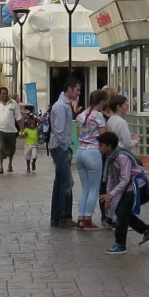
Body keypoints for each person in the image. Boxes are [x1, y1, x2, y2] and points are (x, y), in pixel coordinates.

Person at [100, 130, 149, 252]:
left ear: (109, 146)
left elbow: (125, 179)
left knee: (122, 213)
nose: (99, 148)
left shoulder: (122, 156)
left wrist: (112, 194)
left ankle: (120, 244)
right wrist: (109, 198)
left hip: (137, 184)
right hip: (129, 185)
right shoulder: (111, 157)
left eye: (101, 145)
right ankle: (147, 230)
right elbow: (111, 178)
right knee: (122, 212)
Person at [73, 88, 110, 231]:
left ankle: (81, 218)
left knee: (85, 188)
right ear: (102, 101)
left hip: (80, 151)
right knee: (94, 188)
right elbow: (104, 136)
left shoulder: (81, 115)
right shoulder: (98, 116)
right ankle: (88, 217)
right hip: (93, 152)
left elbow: (78, 135)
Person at [46, 79, 80, 226]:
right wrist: (65, 146)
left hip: (60, 146)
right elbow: (59, 130)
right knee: (67, 182)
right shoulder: (61, 106)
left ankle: (56, 217)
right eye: (77, 90)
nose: (78, 93)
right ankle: (64, 217)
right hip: (59, 147)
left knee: (60, 181)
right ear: (70, 89)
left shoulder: (65, 105)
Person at [0, 86, 21, 174]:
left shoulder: (13, 103)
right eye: (3, 94)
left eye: (6, 93)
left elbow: (18, 117)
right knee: (0, 147)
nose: (5, 95)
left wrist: (22, 129)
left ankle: (10, 164)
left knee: (11, 148)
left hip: (11, 130)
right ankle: (0, 167)